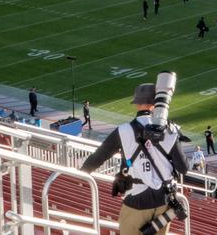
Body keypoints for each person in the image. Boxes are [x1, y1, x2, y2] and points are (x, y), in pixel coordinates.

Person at [78, 83, 188, 235]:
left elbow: (99, 156)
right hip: (164, 201)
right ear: (156, 103)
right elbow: (183, 168)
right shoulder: (171, 130)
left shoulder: (123, 131)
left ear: (137, 104)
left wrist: (81, 173)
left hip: (136, 201)